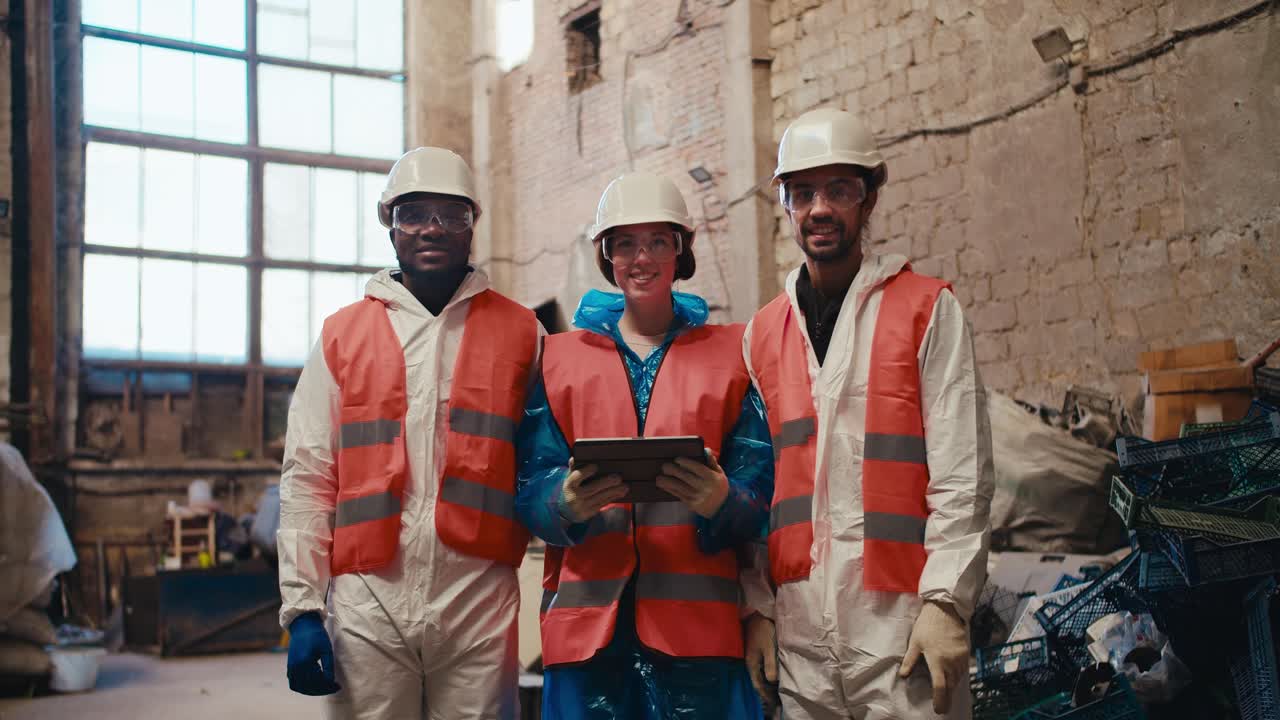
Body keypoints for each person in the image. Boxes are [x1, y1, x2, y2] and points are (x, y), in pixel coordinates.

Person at [741, 108, 994, 719]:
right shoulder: (761, 333)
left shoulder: (926, 309)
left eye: (840, 189)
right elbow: (759, 490)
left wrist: (945, 602)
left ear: (870, 198)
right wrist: (756, 609)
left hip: (904, 632)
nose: (819, 207)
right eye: (803, 192)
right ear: (785, 204)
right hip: (801, 641)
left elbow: (964, 473)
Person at [277, 146, 542, 719]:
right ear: (389, 225)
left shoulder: (523, 333)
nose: (433, 228)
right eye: (415, 212)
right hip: (369, 600)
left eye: (451, 214)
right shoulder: (342, 336)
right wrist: (302, 608)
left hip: (479, 597)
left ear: (473, 224)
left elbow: (543, 462)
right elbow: (309, 475)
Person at [515, 171, 773, 719]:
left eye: (659, 241)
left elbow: (762, 491)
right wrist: (564, 504)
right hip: (587, 643)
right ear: (606, 255)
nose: (642, 258)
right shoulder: (558, 359)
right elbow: (527, 485)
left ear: (682, 252)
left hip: (699, 641)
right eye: (626, 243)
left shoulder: (731, 356)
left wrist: (722, 502)